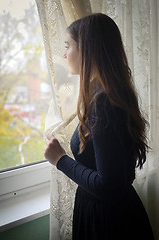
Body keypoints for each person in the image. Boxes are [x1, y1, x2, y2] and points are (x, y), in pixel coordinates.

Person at [44, 13, 154, 240]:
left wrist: (60, 160)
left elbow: (110, 187)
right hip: (111, 215)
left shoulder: (104, 103)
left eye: (68, 46)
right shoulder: (110, 95)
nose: (64, 54)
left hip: (108, 222)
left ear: (87, 50)